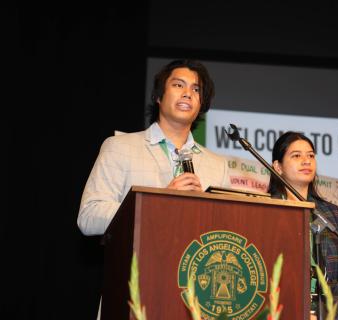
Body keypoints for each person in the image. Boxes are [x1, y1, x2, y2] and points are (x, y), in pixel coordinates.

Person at [78, 59, 228, 236]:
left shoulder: (218, 165)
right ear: (158, 96)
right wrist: (159, 204)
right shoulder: (119, 147)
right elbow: (89, 216)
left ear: (201, 103)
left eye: (196, 89)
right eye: (179, 85)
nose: (188, 93)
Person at [268, 131, 338, 320]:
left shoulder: (333, 214)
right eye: (296, 156)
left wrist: (327, 316)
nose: (306, 161)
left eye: (310, 155)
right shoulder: (264, 211)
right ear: (278, 166)